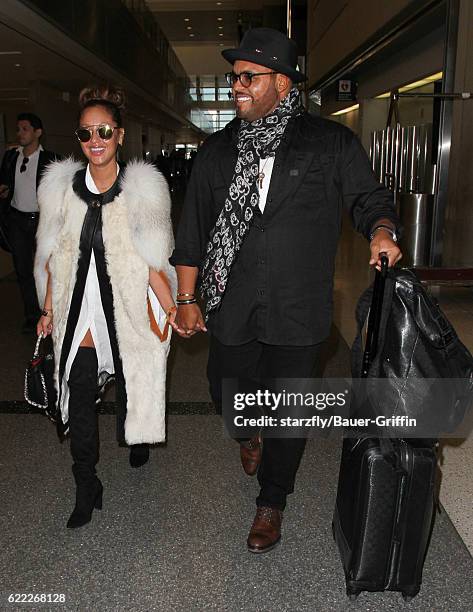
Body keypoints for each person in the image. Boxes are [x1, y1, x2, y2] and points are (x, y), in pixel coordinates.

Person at [169, 28, 402, 554]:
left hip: (299, 306)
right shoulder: (218, 150)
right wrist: (187, 300)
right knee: (227, 391)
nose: (237, 87)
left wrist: (382, 229)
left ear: (282, 81)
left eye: (248, 77)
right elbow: (194, 231)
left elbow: (367, 197)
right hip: (231, 300)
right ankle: (247, 432)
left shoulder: (328, 142)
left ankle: (272, 501)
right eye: (234, 78)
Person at [34, 85, 177, 528]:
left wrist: (175, 305)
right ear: (78, 139)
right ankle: (86, 483)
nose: (94, 140)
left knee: (135, 377)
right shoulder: (60, 189)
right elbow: (52, 254)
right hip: (80, 313)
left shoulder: (144, 190)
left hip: (128, 308)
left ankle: (136, 435)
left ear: (118, 135)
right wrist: (48, 308)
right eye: (85, 133)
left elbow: (156, 259)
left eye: (103, 131)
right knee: (79, 399)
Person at [0, 114, 60, 332]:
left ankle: (50, 311)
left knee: (44, 269)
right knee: (23, 269)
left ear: (38, 132)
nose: (20, 133)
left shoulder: (50, 160)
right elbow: (5, 181)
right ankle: (31, 315)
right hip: (17, 219)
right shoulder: (10, 157)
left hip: (41, 221)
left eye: (25, 129)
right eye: (18, 129)